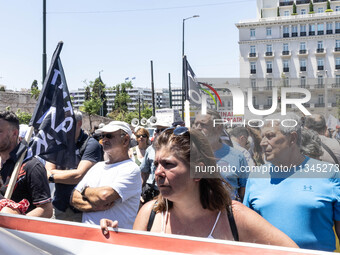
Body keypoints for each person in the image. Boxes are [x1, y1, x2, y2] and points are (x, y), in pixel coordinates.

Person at [101, 128, 297, 248]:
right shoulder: (149, 215)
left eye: (168, 164)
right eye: (156, 165)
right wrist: (117, 241)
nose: (158, 172)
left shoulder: (235, 217)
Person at [243, 113, 340, 251]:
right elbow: (247, 232)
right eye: (262, 136)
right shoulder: (256, 176)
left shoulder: (329, 173)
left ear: (292, 138)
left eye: (270, 136)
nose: (263, 142)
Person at [71, 121, 141, 228]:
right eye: (102, 136)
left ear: (125, 140)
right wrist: (93, 207)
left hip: (115, 239)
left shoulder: (131, 169)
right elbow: (74, 198)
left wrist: (85, 190)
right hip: (89, 237)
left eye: (109, 136)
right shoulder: (97, 166)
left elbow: (104, 196)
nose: (104, 139)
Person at [45, 110, 103, 222]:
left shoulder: (91, 145)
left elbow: (79, 176)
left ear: (79, 123)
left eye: (67, 123)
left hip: (82, 209)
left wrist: (52, 177)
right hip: (60, 206)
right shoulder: (58, 143)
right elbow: (47, 170)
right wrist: (72, 174)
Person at [0, 111, 52, 217]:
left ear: (14, 133)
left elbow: (46, 210)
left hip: (14, 232)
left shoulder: (32, 166)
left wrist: (14, 222)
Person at [192, 110, 248, 201]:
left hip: (229, 211)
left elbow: (244, 190)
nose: (197, 128)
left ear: (218, 128)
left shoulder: (237, 156)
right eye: (195, 124)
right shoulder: (188, 154)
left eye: (203, 124)